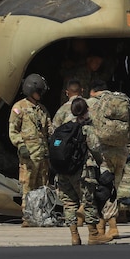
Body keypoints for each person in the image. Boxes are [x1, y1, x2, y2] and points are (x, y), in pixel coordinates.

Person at [86, 81, 130, 241]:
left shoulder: (97, 105)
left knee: (104, 189)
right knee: (113, 188)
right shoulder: (124, 105)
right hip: (121, 153)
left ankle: (112, 226)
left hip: (104, 153)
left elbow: (91, 126)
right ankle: (103, 227)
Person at [52, 97, 109, 245]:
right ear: (86, 110)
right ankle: (93, 234)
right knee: (88, 201)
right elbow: (96, 149)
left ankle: (74, 236)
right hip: (81, 172)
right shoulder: (86, 130)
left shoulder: (63, 129)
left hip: (63, 172)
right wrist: (100, 162)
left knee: (69, 204)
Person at [8, 73, 52, 227]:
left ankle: (40, 215)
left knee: (43, 186)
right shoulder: (19, 108)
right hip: (29, 156)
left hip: (43, 155)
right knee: (28, 186)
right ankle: (27, 217)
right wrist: (20, 145)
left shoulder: (42, 109)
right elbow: (13, 130)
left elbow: (49, 129)